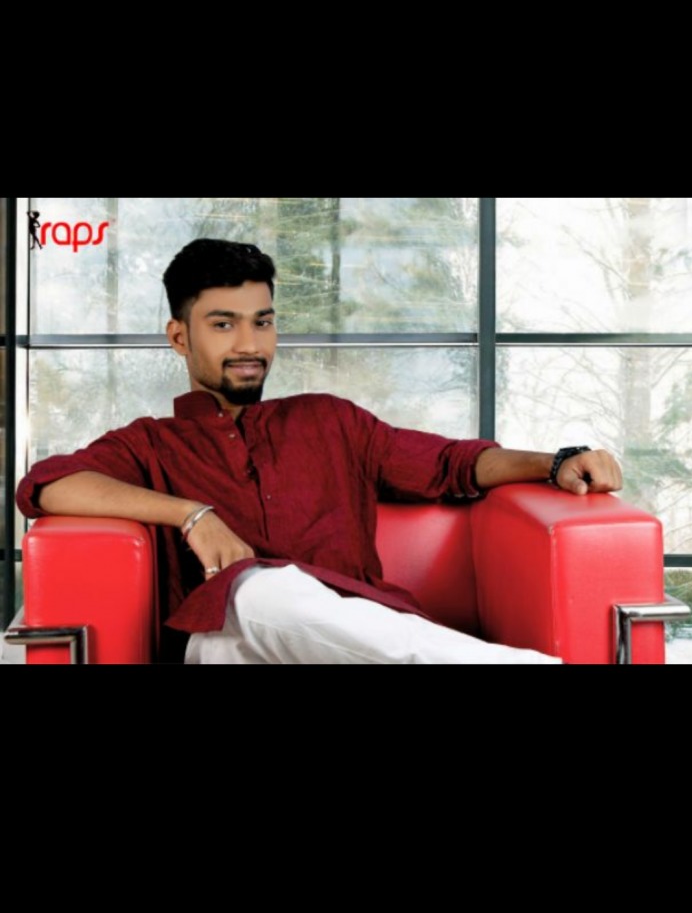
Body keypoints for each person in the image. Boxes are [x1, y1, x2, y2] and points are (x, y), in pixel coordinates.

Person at [16, 240, 623, 664]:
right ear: (180, 336)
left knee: (265, 592)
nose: (249, 343)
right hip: (226, 644)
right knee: (249, 593)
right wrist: (192, 515)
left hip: (355, 640)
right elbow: (46, 484)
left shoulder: (330, 419)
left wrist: (554, 462)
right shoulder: (151, 443)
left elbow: (451, 464)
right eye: (223, 324)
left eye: (262, 321)